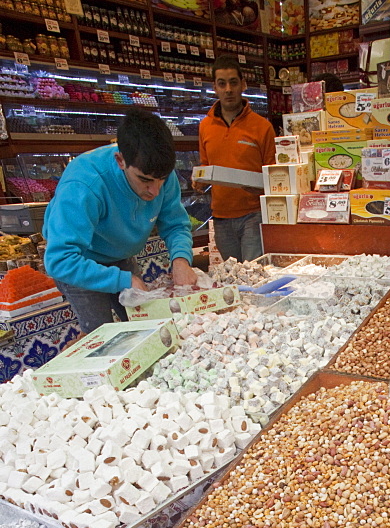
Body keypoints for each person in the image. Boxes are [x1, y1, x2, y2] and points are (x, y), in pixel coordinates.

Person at [44, 106, 196, 333]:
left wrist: (181, 259)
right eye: (145, 180)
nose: (154, 191)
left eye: (161, 180)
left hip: (121, 255)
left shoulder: (162, 174)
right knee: (102, 333)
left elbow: (175, 224)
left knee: (146, 325)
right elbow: (59, 260)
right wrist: (123, 280)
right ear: (120, 160)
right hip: (80, 261)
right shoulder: (84, 184)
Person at [197, 55, 275, 262]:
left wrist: (261, 187)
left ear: (243, 85)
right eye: (222, 84)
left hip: (253, 214)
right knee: (233, 277)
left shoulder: (262, 126)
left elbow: (275, 174)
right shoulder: (205, 126)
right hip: (221, 217)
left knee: (253, 275)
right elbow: (205, 165)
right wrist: (198, 179)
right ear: (214, 87)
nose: (228, 89)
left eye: (233, 82)